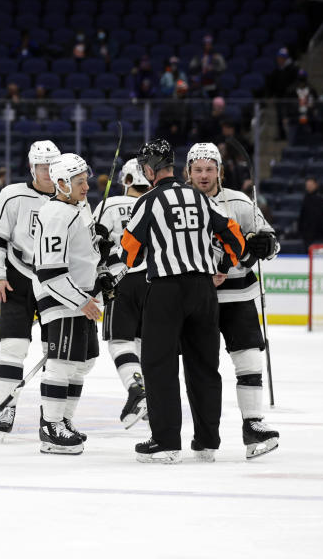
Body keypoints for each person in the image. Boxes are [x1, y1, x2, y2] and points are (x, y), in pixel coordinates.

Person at [120, 139, 246, 463]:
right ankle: (207, 442)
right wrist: (220, 265)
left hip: (166, 290)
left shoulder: (148, 201)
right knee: (204, 366)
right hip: (204, 292)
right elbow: (234, 236)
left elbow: (129, 252)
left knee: (158, 365)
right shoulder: (201, 199)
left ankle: (165, 442)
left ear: (148, 170)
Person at [186, 143, 281, 459]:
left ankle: (253, 426)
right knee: (202, 369)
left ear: (219, 171)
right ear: (188, 171)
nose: (203, 175)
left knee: (250, 361)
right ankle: (204, 436)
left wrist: (266, 246)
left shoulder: (239, 202)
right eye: (197, 169)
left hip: (239, 295)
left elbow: (269, 240)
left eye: (209, 169)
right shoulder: (180, 205)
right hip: (198, 299)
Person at [33, 153, 108, 454]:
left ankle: (63, 419)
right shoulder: (55, 214)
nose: (86, 186)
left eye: (86, 180)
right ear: (61, 184)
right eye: (79, 182)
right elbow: (49, 271)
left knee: (82, 362)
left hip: (81, 298)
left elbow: (83, 253)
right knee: (62, 364)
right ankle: (51, 427)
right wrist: (81, 301)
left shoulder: (77, 207)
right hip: (63, 299)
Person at [0, 140, 61, 434]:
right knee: (13, 347)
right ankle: (6, 407)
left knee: (51, 351)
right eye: (43, 166)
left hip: (55, 282)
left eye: (53, 166)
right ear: (32, 167)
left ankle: (50, 413)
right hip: (17, 278)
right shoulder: (12, 194)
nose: (48, 172)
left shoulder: (70, 198)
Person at [94, 160, 151, 427]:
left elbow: (92, 244)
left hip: (122, 280)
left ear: (127, 179)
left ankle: (136, 389)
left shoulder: (111, 205)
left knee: (119, 341)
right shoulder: (158, 202)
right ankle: (150, 398)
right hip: (157, 284)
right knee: (142, 342)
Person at [299, 177, 323, 250]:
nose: (309, 187)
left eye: (311, 185)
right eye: (307, 185)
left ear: (316, 185)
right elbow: (303, 214)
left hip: (317, 232)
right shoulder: (305, 197)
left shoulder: (320, 198)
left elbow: (320, 216)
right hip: (306, 231)